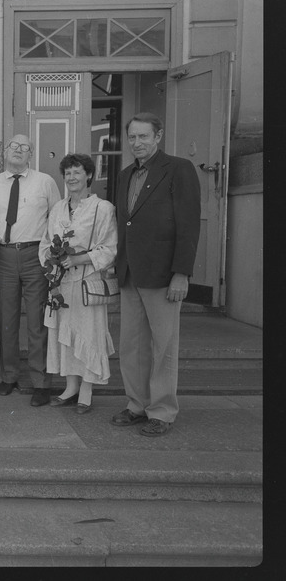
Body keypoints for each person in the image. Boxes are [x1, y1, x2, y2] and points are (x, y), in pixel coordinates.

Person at [111, 112, 201, 437]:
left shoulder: (178, 169)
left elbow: (188, 224)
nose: (137, 143)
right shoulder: (124, 176)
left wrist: (182, 273)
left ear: (158, 136)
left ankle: (161, 412)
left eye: (143, 136)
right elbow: (126, 225)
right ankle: (136, 406)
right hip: (130, 272)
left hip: (163, 274)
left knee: (163, 345)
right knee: (131, 345)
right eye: (132, 137)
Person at [0, 134, 61, 406]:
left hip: (35, 254)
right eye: (13, 146)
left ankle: (41, 382)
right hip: (3, 256)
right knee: (7, 318)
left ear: (31, 154)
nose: (18, 151)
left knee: (37, 321)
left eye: (24, 148)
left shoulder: (45, 182)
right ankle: (9, 375)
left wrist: (51, 257)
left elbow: (57, 219)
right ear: (5, 152)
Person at [40, 153, 118, 414]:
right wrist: (50, 260)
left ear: (89, 176)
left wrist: (79, 259)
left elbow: (110, 247)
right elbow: (45, 241)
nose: (72, 177)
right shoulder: (58, 209)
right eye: (68, 173)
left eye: (77, 172)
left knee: (88, 334)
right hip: (60, 284)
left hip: (87, 282)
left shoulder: (102, 208)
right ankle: (70, 387)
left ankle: (87, 390)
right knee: (66, 335)